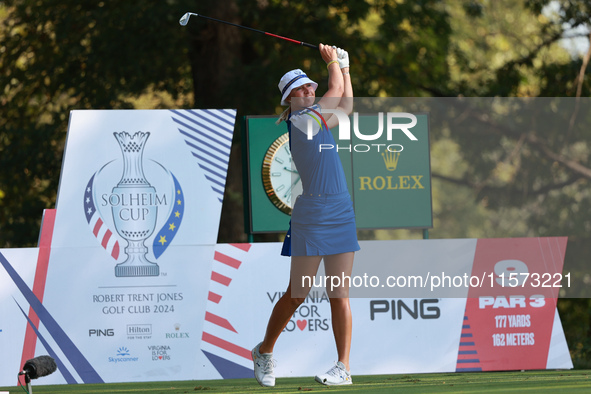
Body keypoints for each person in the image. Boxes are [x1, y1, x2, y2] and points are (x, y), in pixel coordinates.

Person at [252, 43, 359, 387]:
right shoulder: (301, 121)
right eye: (298, 90)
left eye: (308, 86)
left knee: (339, 294)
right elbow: (336, 92)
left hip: (340, 210)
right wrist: (332, 64)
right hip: (312, 215)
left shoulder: (320, 119)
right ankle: (264, 351)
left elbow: (346, 104)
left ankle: (343, 367)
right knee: (297, 293)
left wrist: (345, 67)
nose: (306, 91)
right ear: (290, 100)